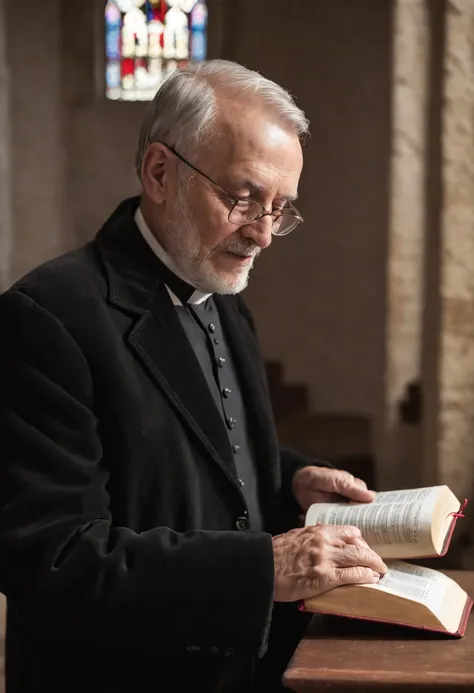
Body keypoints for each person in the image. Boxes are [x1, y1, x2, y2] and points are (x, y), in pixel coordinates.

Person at [0, 60, 386, 693]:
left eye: (280, 208)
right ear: (160, 172)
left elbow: (194, 446)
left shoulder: (223, 293)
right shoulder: (48, 317)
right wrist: (264, 568)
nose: (263, 234)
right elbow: (54, 559)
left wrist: (288, 479)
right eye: (243, 198)